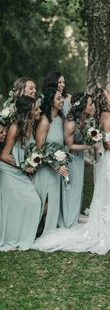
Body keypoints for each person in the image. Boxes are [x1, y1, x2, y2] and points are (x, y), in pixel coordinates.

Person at [32, 88, 110, 254]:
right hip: (109, 158)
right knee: (109, 191)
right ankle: (70, 222)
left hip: (107, 159)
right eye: (108, 94)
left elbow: (100, 139)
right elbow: (105, 143)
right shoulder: (100, 118)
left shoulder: (93, 118)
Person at [0, 96, 41, 251]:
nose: (39, 111)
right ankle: (11, 239)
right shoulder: (14, 128)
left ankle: (22, 236)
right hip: (8, 170)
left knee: (35, 202)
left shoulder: (33, 125)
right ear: (28, 111)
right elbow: (3, 155)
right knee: (17, 204)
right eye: (36, 109)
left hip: (21, 171)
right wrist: (23, 166)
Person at [58, 93, 97, 228]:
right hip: (70, 159)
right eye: (90, 103)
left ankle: (73, 218)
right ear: (82, 106)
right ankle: (68, 221)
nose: (92, 106)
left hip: (78, 158)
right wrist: (89, 146)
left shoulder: (83, 120)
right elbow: (70, 146)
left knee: (78, 188)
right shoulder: (70, 123)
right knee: (71, 188)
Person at [33, 86, 68, 235]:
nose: (62, 101)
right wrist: (55, 165)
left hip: (57, 168)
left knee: (53, 202)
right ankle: (31, 229)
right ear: (51, 101)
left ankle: (46, 229)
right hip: (46, 169)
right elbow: (39, 150)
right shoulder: (44, 121)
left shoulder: (60, 119)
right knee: (43, 202)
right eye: (59, 98)